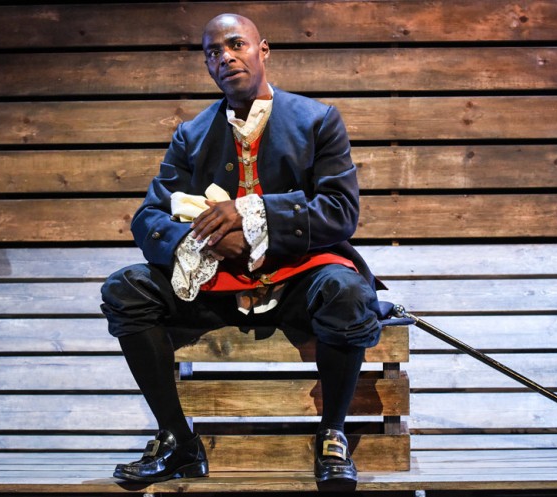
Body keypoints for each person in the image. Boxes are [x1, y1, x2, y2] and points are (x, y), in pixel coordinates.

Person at [100, 13, 393, 484]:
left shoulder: (318, 120)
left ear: (263, 50)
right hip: (217, 283)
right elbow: (148, 218)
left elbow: (341, 212)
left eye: (236, 44)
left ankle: (332, 435)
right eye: (213, 52)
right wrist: (207, 239)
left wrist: (253, 215)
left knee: (347, 290)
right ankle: (178, 440)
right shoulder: (190, 135)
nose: (225, 57)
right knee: (126, 289)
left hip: (299, 280)